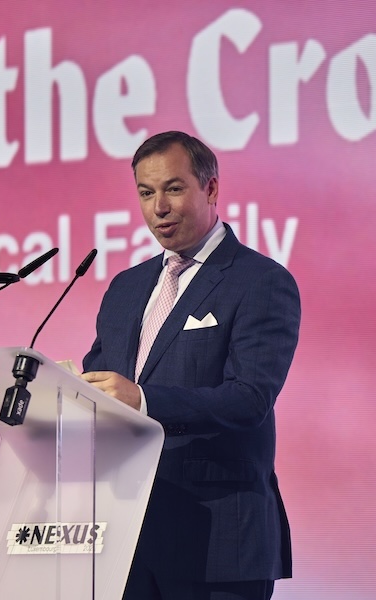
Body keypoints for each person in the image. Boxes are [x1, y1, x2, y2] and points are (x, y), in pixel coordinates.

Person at [82, 131, 300, 600]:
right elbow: (101, 385)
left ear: (211, 188)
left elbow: (249, 399)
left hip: (217, 543)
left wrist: (143, 400)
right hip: (127, 543)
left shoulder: (260, 281)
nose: (158, 207)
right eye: (146, 193)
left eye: (174, 189)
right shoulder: (125, 288)